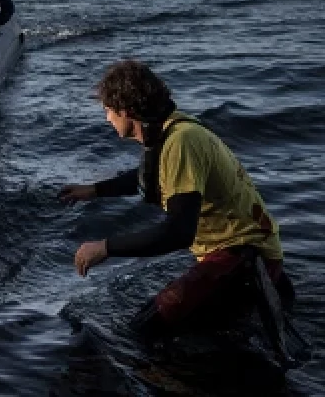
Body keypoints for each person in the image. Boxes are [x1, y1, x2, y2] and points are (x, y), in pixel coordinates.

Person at [60, 60, 294, 339]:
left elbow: (179, 232)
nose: (107, 118)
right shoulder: (173, 130)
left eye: (109, 110)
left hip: (244, 256)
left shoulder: (181, 142)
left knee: (143, 332)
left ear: (127, 111)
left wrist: (105, 248)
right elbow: (151, 176)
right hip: (249, 251)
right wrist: (93, 190)